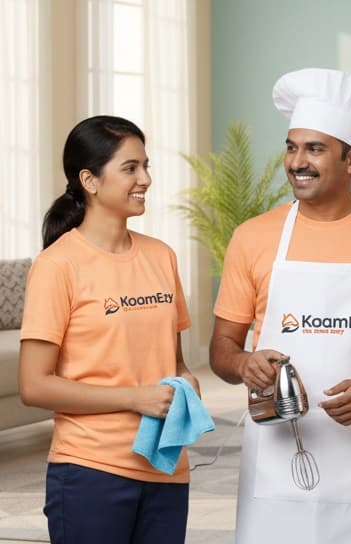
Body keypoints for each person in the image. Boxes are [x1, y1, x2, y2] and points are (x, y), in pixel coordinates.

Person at [209, 67, 351, 543]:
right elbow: (222, 349)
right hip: (273, 457)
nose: (297, 162)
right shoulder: (252, 238)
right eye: (292, 147)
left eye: (315, 149)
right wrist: (244, 363)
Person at [17, 115, 200, 543]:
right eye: (131, 167)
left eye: (146, 166)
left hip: (166, 466)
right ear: (90, 180)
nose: (146, 179)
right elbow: (34, 385)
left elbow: (174, 360)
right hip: (89, 471)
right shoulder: (57, 266)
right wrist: (133, 398)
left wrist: (186, 385)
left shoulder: (162, 257)